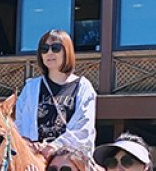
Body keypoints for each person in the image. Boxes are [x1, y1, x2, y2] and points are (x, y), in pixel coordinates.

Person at [15, 29, 97, 158]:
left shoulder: (83, 87)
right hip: (34, 158)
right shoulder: (31, 88)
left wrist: (55, 146)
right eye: (44, 49)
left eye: (56, 48)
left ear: (67, 51)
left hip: (68, 159)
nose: (49, 53)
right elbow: (18, 123)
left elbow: (84, 129)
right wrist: (29, 144)